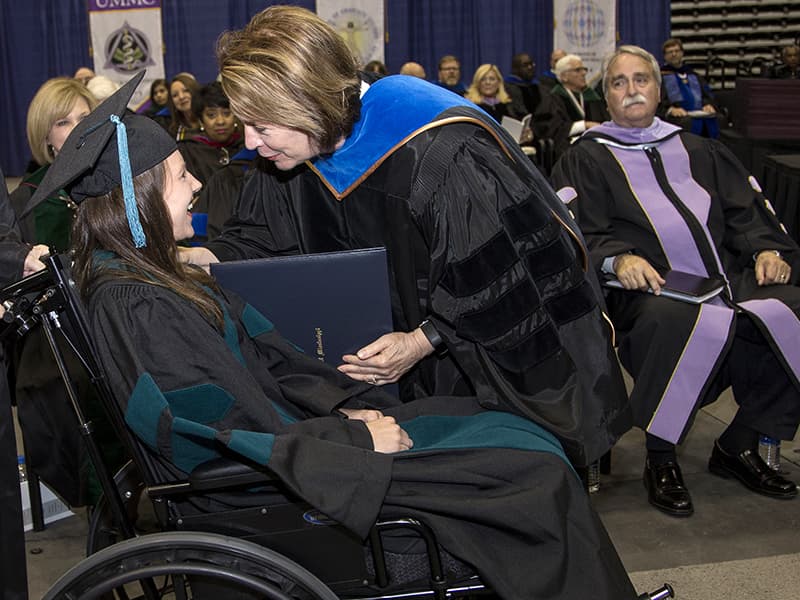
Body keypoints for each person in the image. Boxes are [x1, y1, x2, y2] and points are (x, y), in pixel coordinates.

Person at [26, 69, 641, 600]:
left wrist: (352, 404)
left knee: (516, 429)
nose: (197, 186)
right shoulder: (138, 303)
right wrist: (351, 435)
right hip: (275, 481)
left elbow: (273, 361)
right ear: (138, 202)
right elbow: (206, 435)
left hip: (300, 443)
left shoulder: (149, 277)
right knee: (532, 476)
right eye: (182, 175)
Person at [182, 6, 632, 470]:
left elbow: (503, 278)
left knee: (505, 482)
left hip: (469, 369)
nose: (250, 143)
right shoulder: (291, 151)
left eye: (261, 126)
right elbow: (262, 237)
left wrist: (423, 340)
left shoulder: (439, 145)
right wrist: (208, 255)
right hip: (370, 370)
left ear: (310, 100)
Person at [551, 45, 800, 518]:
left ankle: (738, 443)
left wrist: (767, 249)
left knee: (792, 309)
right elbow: (573, 230)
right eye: (619, 83)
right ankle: (661, 456)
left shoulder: (701, 148)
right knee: (674, 319)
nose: (631, 90)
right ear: (607, 97)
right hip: (652, 289)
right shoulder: (585, 159)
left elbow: (744, 213)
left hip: (727, 277)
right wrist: (616, 259)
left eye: (640, 79)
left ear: (657, 89)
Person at [9, 77, 98, 250]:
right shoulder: (25, 201)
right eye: (63, 122)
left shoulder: (118, 181)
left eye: (84, 118)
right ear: (46, 136)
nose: (77, 130)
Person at [534, 54, 608, 160]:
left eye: (584, 69)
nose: (583, 73)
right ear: (564, 76)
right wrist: (584, 125)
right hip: (566, 150)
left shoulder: (590, 96)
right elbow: (552, 129)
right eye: (578, 70)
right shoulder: (553, 98)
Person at [178, 81, 243, 186]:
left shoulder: (248, 148)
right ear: (201, 120)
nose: (220, 121)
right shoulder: (188, 151)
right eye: (211, 115)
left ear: (235, 116)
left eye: (226, 113)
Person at [659, 38, 721, 138]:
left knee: (718, 119)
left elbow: (707, 95)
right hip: (678, 116)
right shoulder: (661, 77)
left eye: (677, 51)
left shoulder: (694, 75)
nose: (674, 54)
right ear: (665, 56)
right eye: (670, 52)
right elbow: (658, 101)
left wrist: (707, 104)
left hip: (699, 113)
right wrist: (671, 109)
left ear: (682, 53)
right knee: (686, 122)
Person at [505, 52, 543, 116]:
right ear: (515, 68)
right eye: (525, 65)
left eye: (531, 64)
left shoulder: (537, 86)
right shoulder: (508, 87)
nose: (530, 67)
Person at [167, 73, 202, 141]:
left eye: (186, 91)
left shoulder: (211, 123)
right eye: (175, 95)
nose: (181, 97)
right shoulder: (173, 132)